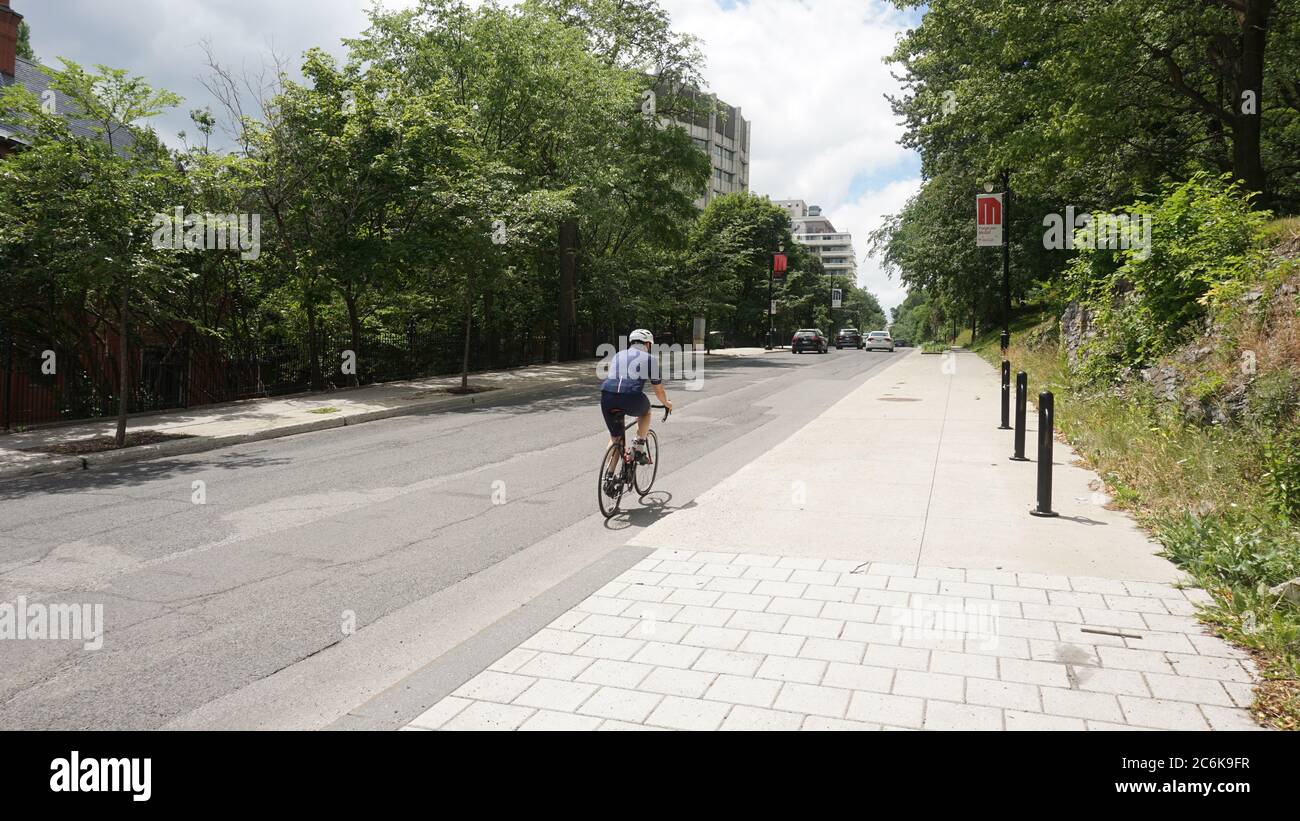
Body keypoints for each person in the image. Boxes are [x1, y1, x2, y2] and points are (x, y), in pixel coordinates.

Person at [600, 329, 672, 464]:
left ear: (631, 342)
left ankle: (608, 477)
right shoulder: (650, 359)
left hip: (607, 396)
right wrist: (667, 403)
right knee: (646, 411)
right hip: (630, 396)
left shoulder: (617, 355)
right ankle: (639, 448)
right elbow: (659, 391)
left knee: (616, 438)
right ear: (648, 344)